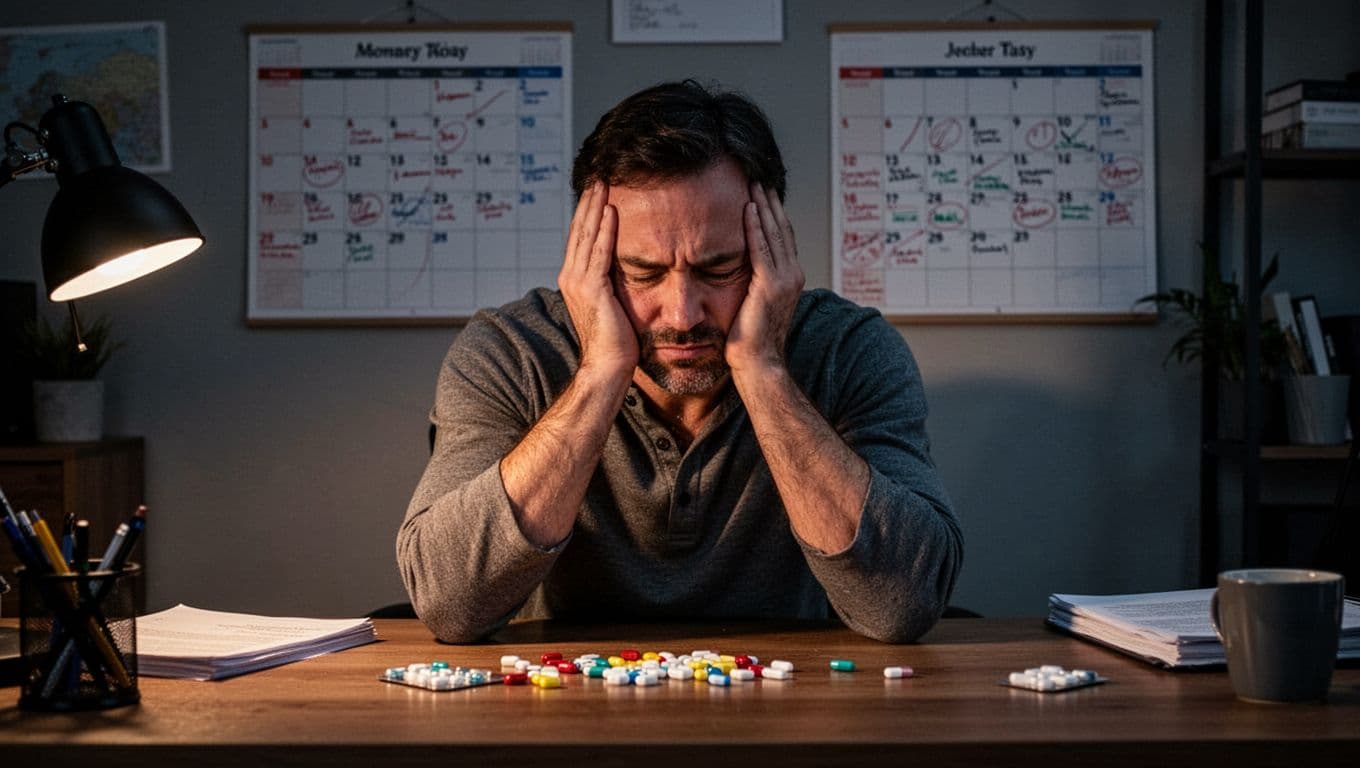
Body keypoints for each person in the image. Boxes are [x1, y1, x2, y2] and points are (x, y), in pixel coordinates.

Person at [398, 80, 961, 643]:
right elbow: (452, 603)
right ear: (587, 259)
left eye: (719, 269)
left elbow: (903, 605)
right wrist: (600, 373)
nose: (684, 312)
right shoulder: (509, 352)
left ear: (774, 250)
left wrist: (763, 371)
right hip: (561, 707)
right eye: (642, 273)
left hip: (793, 706)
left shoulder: (850, 349)